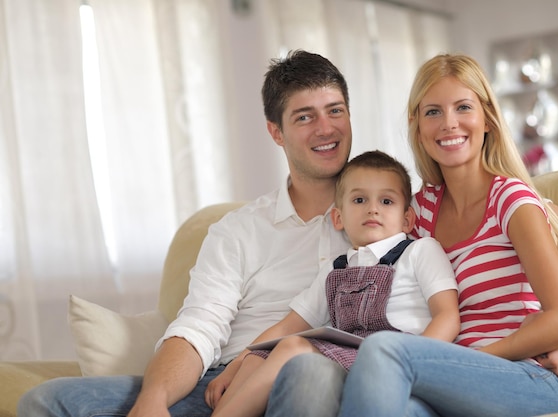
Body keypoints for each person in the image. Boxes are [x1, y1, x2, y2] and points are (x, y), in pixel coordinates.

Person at [17, 49, 355, 417]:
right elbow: (199, 326)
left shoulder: (392, 215)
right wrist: (153, 400)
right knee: (48, 400)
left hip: (320, 381)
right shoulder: (238, 230)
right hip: (221, 385)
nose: (326, 128)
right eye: (305, 116)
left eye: (335, 110)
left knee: (309, 375)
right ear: (276, 132)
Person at [336, 53, 558, 417]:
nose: (449, 124)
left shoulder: (510, 200)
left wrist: (468, 359)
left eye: (463, 107)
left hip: (522, 377)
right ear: (418, 126)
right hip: (447, 383)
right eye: (433, 112)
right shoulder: (418, 213)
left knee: (384, 350)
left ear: (486, 119)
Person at [211, 150, 460, 417]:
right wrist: (237, 364)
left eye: (386, 201)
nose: (373, 208)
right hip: (344, 355)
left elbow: (447, 315)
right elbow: (290, 324)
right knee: (257, 356)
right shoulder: (336, 267)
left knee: (292, 347)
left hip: (395, 357)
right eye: (359, 199)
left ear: (407, 218)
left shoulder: (420, 251)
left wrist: (414, 363)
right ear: (338, 218)